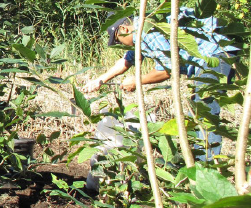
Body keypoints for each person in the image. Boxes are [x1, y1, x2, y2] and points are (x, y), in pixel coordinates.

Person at [82, 8, 239, 161]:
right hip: (207, 59)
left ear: (123, 28)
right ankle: (201, 161)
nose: (118, 43)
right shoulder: (142, 32)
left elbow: (168, 69)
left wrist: (136, 81)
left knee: (205, 111)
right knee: (197, 111)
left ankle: (208, 165)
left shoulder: (147, 32)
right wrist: (99, 80)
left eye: (117, 39)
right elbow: (126, 61)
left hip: (216, 53)